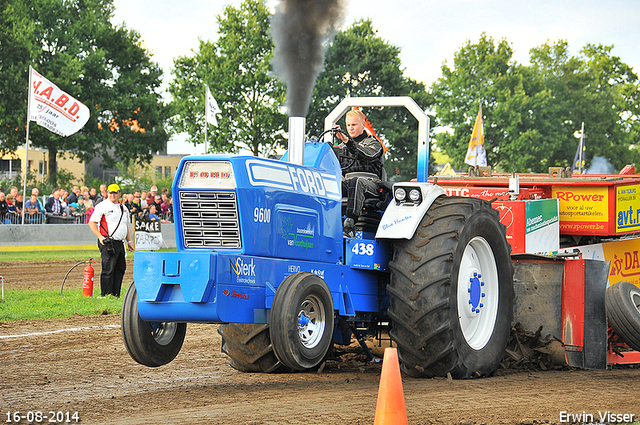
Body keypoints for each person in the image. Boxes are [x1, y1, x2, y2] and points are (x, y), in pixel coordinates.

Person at [332, 109, 386, 235]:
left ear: (363, 125)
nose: (350, 128)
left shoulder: (374, 144)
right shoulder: (341, 147)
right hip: (348, 181)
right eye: (348, 125)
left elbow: (365, 154)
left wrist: (348, 142)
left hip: (371, 183)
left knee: (357, 182)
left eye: (354, 125)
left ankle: (350, 226)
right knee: (330, 184)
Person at [88, 183, 134, 297]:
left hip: (120, 243)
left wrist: (129, 241)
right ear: (107, 193)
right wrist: (100, 237)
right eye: (110, 193)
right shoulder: (102, 206)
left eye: (115, 193)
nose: (112, 195)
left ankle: (115, 294)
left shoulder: (124, 208)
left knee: (120, 268)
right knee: (108, 269)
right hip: (108, 241)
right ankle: (106, 294)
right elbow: (92, 222)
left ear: (119, 194)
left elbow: (125, 226)